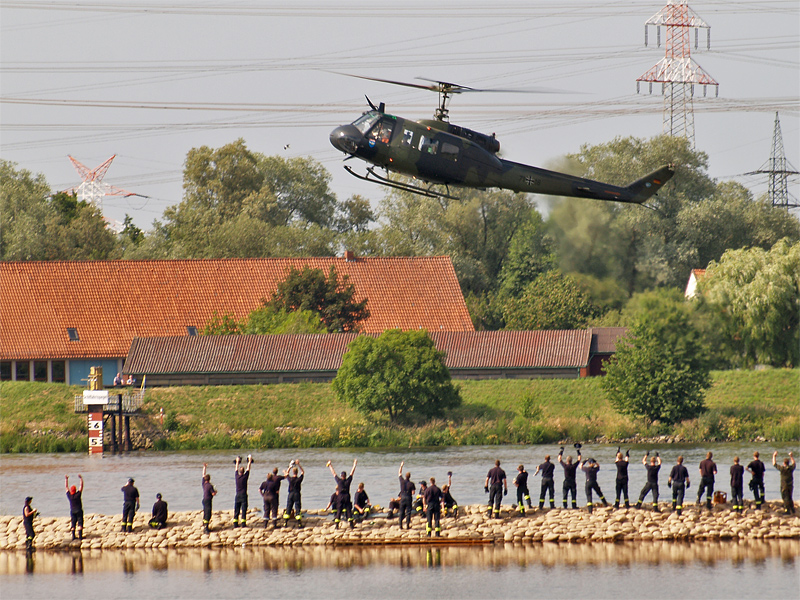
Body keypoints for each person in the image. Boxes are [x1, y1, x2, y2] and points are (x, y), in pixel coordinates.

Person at [328, 458, 357, 528]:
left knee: (339, 510)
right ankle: (351, 525)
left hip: (340, 497)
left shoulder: (339, 481)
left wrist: (330, 465)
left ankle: (337, 525)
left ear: (341, 476)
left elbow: (333, 473)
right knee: (348, 510)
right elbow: (352, 472)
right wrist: (354, 464)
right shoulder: (348, 481)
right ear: (345, 476)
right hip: (346, 496)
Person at [233, 455, 253, 528]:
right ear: (243, 472)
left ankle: (235, 523)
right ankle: (243, 523)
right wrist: (249, 461)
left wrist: (237, 462)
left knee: (237, 509)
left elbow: (236, 469)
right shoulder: (245, 477)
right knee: (244, 509)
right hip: (244, 495)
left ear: (239, 472)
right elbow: (248, 468)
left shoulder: (237, 477)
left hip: (237, 495)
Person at [283, 461, 305, 527]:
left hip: (290, 494)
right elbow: (303, 472)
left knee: (288, 507)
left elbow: (286, 474)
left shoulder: (290, 479)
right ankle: (299, 524)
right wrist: (299, 464)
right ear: (297, 472)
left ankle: (285, 523)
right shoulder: (299, 479)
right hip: (297, 494)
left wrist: (289, 467)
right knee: (298, 508)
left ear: (293, 472)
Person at [65, 474, 84, 539]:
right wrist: (81, 478)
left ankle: (73, 536)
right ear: (75, 490)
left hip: (72, 511)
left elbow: (66, 487)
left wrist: (66, 479)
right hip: (79, 510)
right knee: (80, 522)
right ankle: (80, 536)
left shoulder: (70, 496)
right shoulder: (78, 495)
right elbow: (81, 486)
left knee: (73, 523)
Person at [398, 461, 415, 529]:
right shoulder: (411, 484)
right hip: (408, 497)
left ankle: (400, 525)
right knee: (408, 512)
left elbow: (399, 473)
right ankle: (407, 525)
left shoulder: (402, 481)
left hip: (402, 497)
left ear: (405, 476)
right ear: (410, 477)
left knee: (401, 511)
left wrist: (401, 466)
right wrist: (409, 493)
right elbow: (413, 492)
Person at [201, 463, 217, 533]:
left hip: (204, 500)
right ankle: (206, 527)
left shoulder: (204, 484)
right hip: (208, 500)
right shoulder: (210, 486)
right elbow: (213, 494)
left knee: (205, 512)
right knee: (208, 513)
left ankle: (204, 524)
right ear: (209, 479)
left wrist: (204, 467)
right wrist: (215, 492)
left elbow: (203, 475)